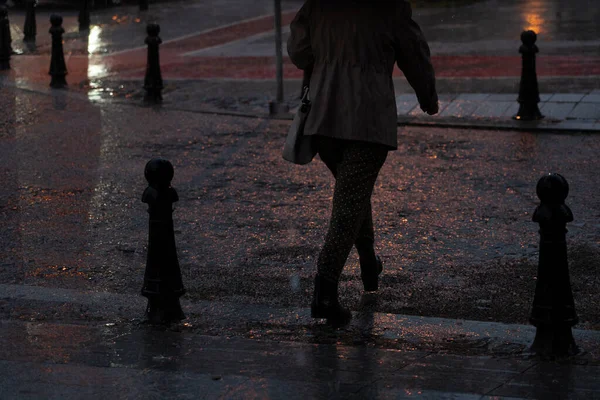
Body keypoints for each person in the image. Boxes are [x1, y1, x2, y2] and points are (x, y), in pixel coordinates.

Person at [287, 0, 439, 325]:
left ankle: (369, 262)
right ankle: (323, 292)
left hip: (325, 116)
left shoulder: (318, 5)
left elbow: (299, 51)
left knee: (352, 193)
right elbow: (414, 53)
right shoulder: (389, 7)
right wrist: (428, 96)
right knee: (349, 202)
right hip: (368, 118)